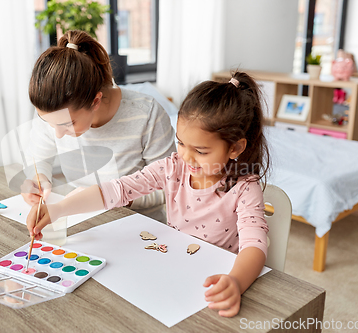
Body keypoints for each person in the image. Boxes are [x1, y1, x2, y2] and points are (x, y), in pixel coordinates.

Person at [26, 71, 270, 317]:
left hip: (212, 282)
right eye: (181, 143)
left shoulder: (245, 189)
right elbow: (116, 190)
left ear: (235, 147)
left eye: (201, 151)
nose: (186, 156)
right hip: (173, 271)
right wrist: (58, 209)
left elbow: (255, 246)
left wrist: (236, 282)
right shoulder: (173, 167)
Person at [21, 30, 175, 222]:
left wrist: (113, 197)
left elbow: (169, 185)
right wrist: (39, 179)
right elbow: (37, 157)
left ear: (95, 101)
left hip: (140, 228)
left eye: (67, 124)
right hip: (82, 221)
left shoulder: (147, 115)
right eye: (49, 123)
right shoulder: (54, 110)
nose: (58, 134)